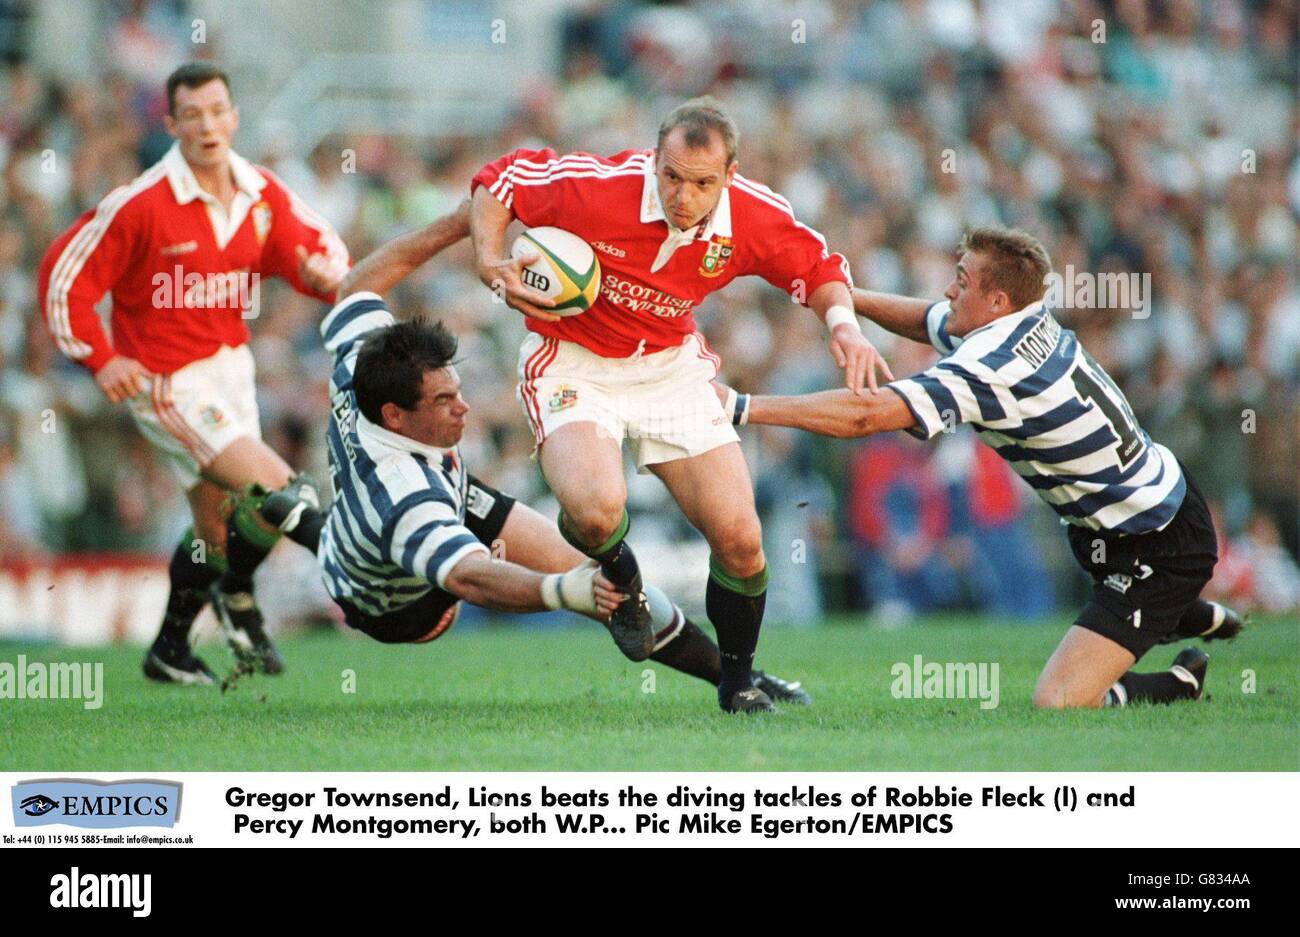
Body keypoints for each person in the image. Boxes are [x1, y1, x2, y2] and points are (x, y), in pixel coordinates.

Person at [252, 203, 812, 705]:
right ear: (395, 415)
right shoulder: (403, 494)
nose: (465, 407)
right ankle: (312, 528)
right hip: (397, 607)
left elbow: (356, 285)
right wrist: (561, 593)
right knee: (593, 588)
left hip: (435, 489)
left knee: (618, 592)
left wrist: (461, 224)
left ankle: (743, 679)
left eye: (457, 387)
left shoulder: (363, 364)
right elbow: (470, 579)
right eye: (444, 401)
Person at [468, 97, 891, 712]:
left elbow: (819, 267)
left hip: (669, 366)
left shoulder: (752, 214)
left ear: (731, 174)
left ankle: (738, 680)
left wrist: (844, 325)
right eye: (670, 176)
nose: (682, 196)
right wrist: (487, 257)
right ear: (654, 160)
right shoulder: (600, 188)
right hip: (575, 361)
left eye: (701, 183)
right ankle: (627, 584)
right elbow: (502, 178)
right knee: (593, 511)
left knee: (743, 540)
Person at [716, 226, 1244, 709]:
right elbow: (926, 319)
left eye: (961, 281)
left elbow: (867, 414)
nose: (949, 291)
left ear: (996, 300)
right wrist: (837, 299)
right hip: (1139, 510)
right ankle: (1190, 614)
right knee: (1110, 582)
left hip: (1154, 539)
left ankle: (1176, 682)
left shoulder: (990, 367)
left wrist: (745, 407)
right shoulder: (1024, 319)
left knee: (1058, 701)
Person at [37, 62, 349, 684]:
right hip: (167, 383)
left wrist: (324, 281)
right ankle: (367, 573)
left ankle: (170, 649)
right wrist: (102, 357)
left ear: (234, 117)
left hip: (231, 370)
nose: (207, 124)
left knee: (217, 528)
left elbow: (323, 252)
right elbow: (62, 278)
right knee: (282, 491)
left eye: (217, 111)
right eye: (193, 114)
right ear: (172, 122)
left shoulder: (260, 193)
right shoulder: (141, 204)